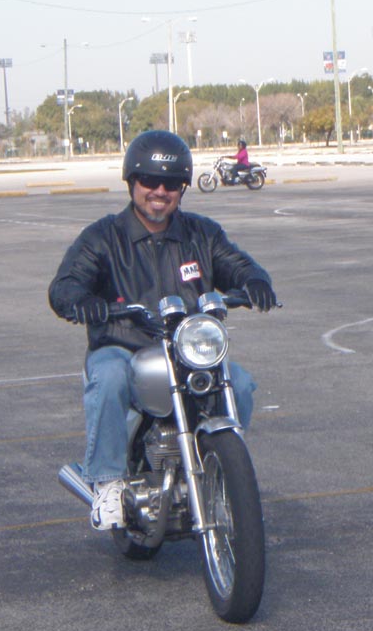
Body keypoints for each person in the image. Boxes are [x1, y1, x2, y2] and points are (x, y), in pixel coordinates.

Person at [48, 130, 277, 531]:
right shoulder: (103, 237)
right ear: (131, 182)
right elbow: (65, 284)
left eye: (170, 183)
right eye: (149, 180)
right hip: (124, 345)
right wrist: (82, 301)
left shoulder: (201, 234)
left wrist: (255, 280)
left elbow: (237, 264)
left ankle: (220, 471)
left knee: (239, 382)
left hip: (188, 349)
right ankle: (107, 482)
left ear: (182, 188)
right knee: (110, 376)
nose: (159, 191)